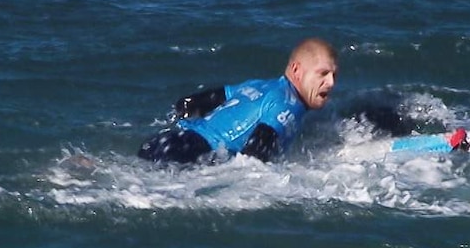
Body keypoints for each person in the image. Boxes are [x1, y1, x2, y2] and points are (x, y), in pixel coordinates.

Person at [138, 38, 338, 164]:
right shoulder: (288, 105)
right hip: (190, 155)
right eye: (323, 74)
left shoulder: (258, 85)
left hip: (167, 140)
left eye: (334, 75)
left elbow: (188, 104)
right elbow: (253, 157)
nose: (330, 82)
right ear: (296, 70)